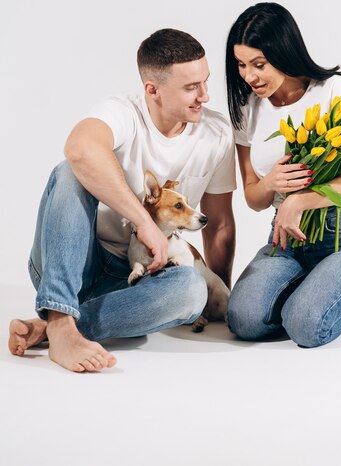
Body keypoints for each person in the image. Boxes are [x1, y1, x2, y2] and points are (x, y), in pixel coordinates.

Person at [9, 29, 236, 371]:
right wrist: (144, 221)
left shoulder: (216, 134)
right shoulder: (122, 111)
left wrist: (218, 296)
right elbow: (80, 149)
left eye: (205, 82)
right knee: (70, 170)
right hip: (74, 264)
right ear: (152, 90)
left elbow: (218, 224)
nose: (204, 95)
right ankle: (59, 313)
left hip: (139, 283)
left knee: (191, 290)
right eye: (191, 87)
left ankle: (57, 327)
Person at [225, 2, 341, 348]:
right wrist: (269, 184)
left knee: (306, 329)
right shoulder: (246, 108)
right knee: (243, 321)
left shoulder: (332, 91)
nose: (249, 76)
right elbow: (252, 198)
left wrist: (299, 200)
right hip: (285, 243)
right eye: (241, 64)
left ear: (284, 51)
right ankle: (311, 292)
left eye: (259, 64)